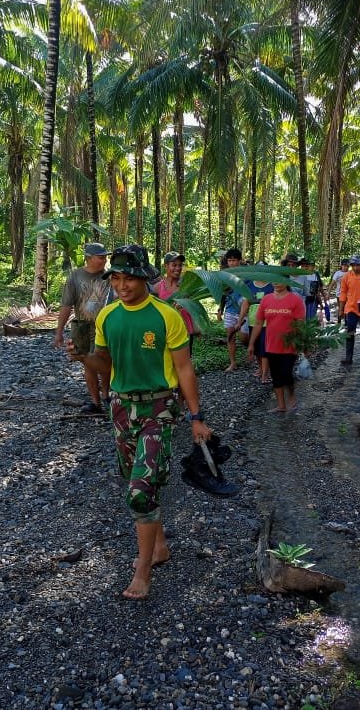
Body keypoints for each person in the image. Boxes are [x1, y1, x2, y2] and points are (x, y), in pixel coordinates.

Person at [68, 244, 213, 600]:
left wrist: (196, 417)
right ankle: (159, 547)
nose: (121, 284)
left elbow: (184, 369)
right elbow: (108, 368)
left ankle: (143, 568)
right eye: (115, 277)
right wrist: (85, 358)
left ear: (144, 278)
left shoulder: (166, 316)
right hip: (121, 409)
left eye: (128, 277)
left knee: (139, 489)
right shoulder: (107, 317)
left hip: (158, 408)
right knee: (139, 483)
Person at [55, 242, 110, 413]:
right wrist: (59, 333)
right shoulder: (75, 277)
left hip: (105, 327)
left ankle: (107, 396)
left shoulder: (110, 276)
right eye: (101, 257)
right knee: (87, 363)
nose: (104, 260)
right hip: (82, 327)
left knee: (105, 362)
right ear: (89, 258)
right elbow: (66, 305)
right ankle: (95, 402)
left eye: (105, 257)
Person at [247, 275, 305, 413]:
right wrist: (251, 343)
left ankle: (291, 396)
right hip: (271, 344)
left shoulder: (295, 300)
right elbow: (259, 323)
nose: (276, 282)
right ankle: (281, 405)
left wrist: (303, 344)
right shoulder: (266, 299)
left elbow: (301, 324)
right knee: (275, 375)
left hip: (289, 344)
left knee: (286, 374)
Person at [155, 251, 197, 354]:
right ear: (166, 266)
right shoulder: (157, 288)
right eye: (174, 265)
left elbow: (195, 307)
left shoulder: (187, 286)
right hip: (165, 331)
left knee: (184, 361)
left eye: (180, 265)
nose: (178, 268)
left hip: (185, 331)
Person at [220, 248, 248, 371]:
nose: (231, 263)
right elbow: (222, 293)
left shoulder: (247, 275)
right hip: (230, 310)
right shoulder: (224, 275)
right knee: (230, 336)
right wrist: (220, 309)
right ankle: (233, 363)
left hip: (243, 310)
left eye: (234, 260)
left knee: (244, 337)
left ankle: (253, 349)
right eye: (229, 260)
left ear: (239, 261)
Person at [298, 258, 325, 323]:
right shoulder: (297, 276)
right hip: (300, 301)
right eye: (303, 266)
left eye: (306, 266)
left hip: (312, 300)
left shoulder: (314, 275)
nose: (304, 268)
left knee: (311, 320)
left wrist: (321, 302)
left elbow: (317, 290)